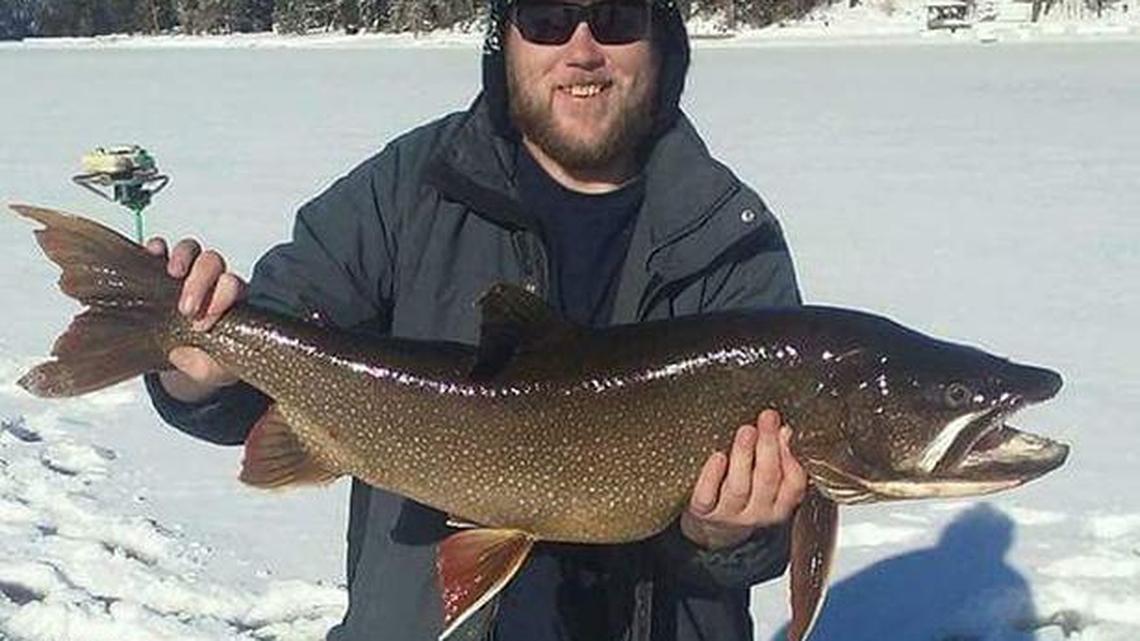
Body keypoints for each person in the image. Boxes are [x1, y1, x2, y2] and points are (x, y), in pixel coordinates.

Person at [143, 1, 808, 640]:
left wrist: (731, 534)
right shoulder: (409, 189)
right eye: (546, 20)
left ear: (663, 40)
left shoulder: (729, 238)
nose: (581, 51)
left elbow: (766, 544)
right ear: (505, 39)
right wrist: (198, 373)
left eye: (617, 19)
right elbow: (267, 363)